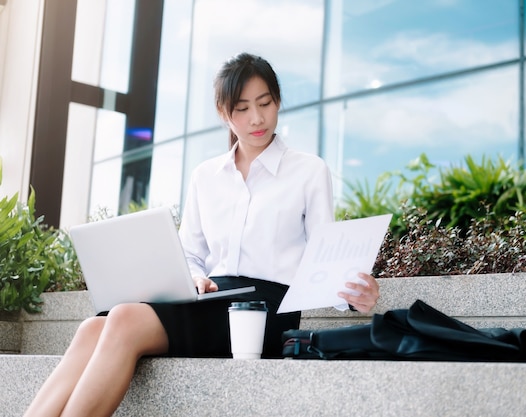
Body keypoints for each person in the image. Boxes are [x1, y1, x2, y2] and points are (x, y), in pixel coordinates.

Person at [24, 52, 380, 417]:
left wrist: (354, 295)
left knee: (123, 319)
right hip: (211, 298)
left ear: (277, 102)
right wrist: (194, 277)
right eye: (241, 108)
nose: (256, 118)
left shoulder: (308, 171)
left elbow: (326, 258)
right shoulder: (206, 176)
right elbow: (191, 252)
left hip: (267, 311)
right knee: (90, 328)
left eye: (265, 103)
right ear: (224, 114)